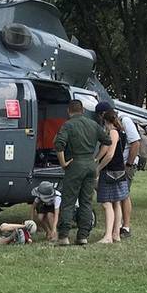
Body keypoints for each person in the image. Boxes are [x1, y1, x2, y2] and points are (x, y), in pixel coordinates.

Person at [53, 100, 111, 246]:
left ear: (69, 111)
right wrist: (96, 158)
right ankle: (83, 235)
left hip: (74, 165)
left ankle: (64, 236)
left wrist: (62, 162)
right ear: (83, 110)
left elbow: (59, 144)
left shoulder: (68, 125)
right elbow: (107, 141)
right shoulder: (93, 124)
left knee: (69, 201)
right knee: (86, 201)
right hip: (90, 165)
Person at [98, 102, 139, 239]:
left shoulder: (120, 125)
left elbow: (136, 143)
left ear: (103, 115)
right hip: (120, 167)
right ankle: (117, 231)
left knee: (121, 197)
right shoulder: (118, 128)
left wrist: (129, 164)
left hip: (122, 166)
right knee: (118, 199)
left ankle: (123, 227)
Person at [95, 105, 128, 244]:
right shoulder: (120, 132)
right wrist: (96, 158)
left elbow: (109, 154)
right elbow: (105, 148)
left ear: (105, 120)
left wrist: (98, 168)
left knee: (106, 203)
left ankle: (108, 236)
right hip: (120, 171)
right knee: (117, 202)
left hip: (110, 171)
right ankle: (116, 234)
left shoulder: (113, 133)